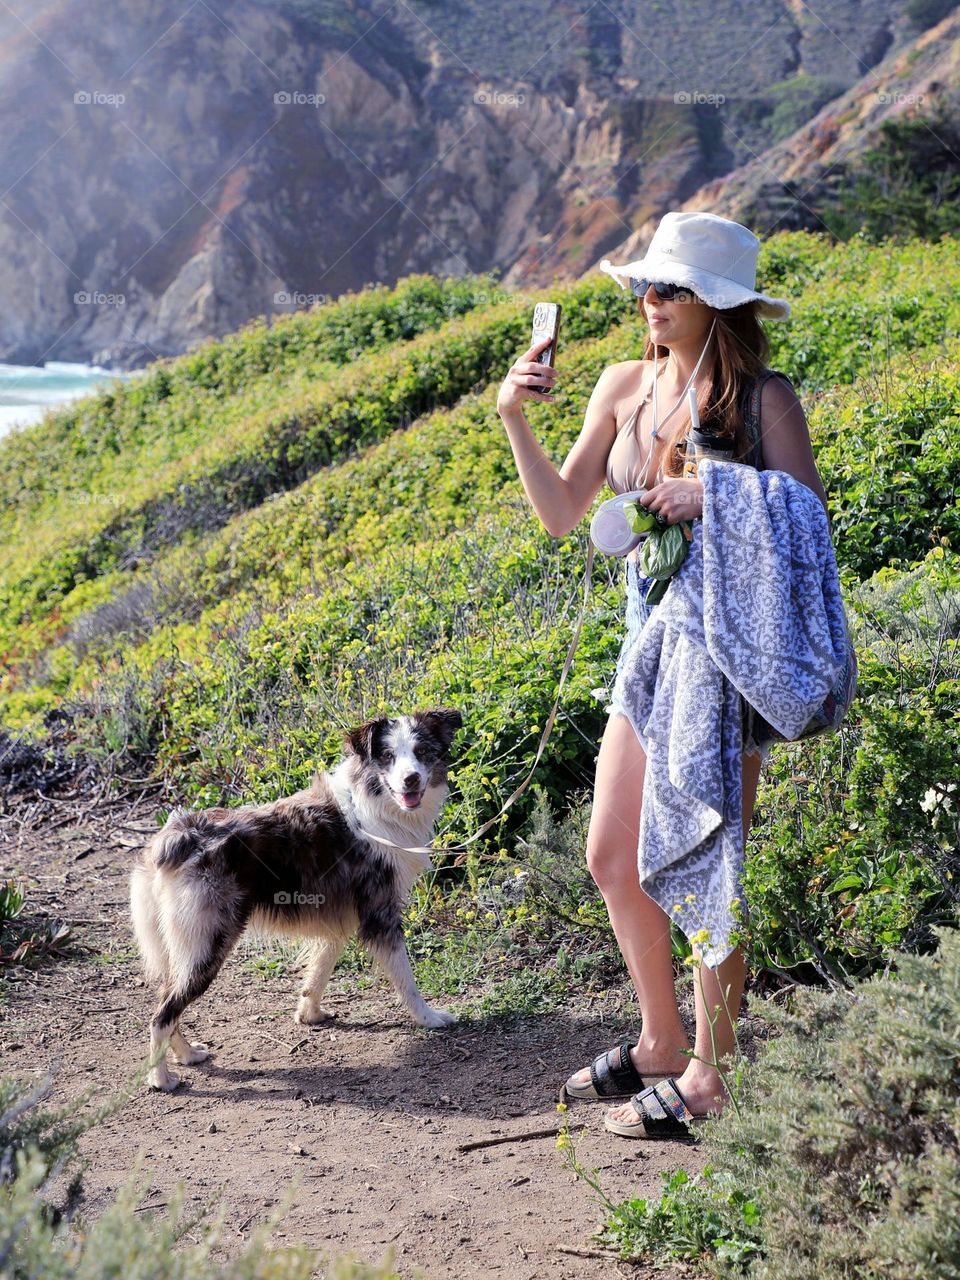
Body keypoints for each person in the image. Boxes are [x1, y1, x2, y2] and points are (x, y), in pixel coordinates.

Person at [495, 211, 829, 1138]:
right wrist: (513, 415)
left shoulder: (763, 399)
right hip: (649, 648)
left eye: (672, 289)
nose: (652, 302)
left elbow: (809, 522)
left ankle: (712, 1078)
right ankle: (658, 1041)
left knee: (708, 859)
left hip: (723, 656)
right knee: (612, 854)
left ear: (719, 304)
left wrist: (712, 490)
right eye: (647, 285)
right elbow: (563, 512)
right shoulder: (621, 385)